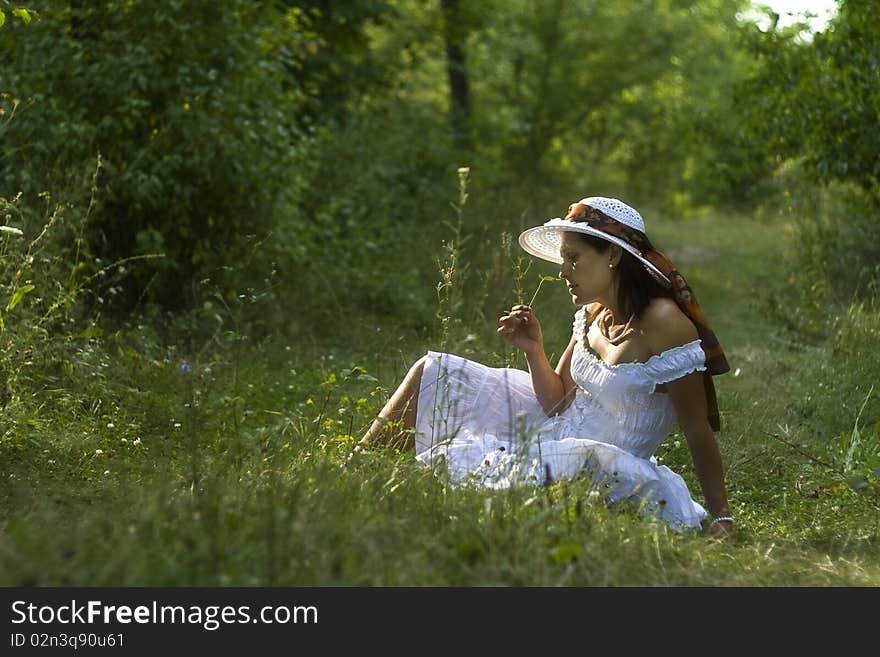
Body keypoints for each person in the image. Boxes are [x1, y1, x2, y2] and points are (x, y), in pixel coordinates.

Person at [358, 196, 734, 536]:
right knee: (435, 372)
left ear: (613, 256)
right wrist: (533, 350)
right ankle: (353, 470)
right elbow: (557, 400)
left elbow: (695, 427)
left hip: (601, 461)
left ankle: (381, 492)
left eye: (573, 258)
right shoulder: (592, 312)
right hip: (554, 426)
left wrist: (721, 517)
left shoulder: (666, 324)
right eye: (563, 259)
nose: (562, 272)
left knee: (471, 468)